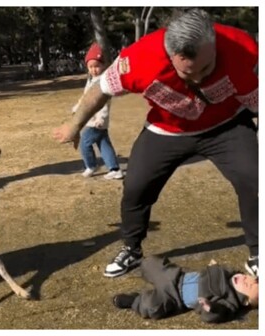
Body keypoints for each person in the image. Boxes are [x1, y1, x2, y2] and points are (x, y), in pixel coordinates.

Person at [52, 9, 258, 278]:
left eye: (206, 68)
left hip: (226, 124)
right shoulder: (139, 59)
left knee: (255, 179)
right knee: (136, 186)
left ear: (214, 43)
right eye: (188, 72)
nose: (197, 78)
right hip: (167, 129)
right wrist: (74, 124)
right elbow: (100, 88)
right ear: (170, 54)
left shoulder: (244, 48)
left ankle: (258, 251)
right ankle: (132, 249)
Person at [113, 256, 258, 323]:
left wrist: (210, 308)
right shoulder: (227, 273)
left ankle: (134, 300)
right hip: (178, 276)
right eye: (250, 278)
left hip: (174, 297)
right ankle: (141, 263)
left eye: (249, 286)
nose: (246, 280)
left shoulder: (228, 302)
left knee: (153, 306)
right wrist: (214, 265)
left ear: (245, 301)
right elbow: (219, 268)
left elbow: (218, 315)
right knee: (151, 263)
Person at [73, 42, 124, 179]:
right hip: (91, 119)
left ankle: (90, 165)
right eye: (91, 67)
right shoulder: (90, 80)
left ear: (103, 66)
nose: (94, 69)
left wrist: (101, 118)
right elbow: (86, 98)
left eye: (97, 66)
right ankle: (114, 169)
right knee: (103, 144)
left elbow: (105, 103)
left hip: (96, 121)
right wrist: (77, 108)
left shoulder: (103, 81)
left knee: (85, 143)